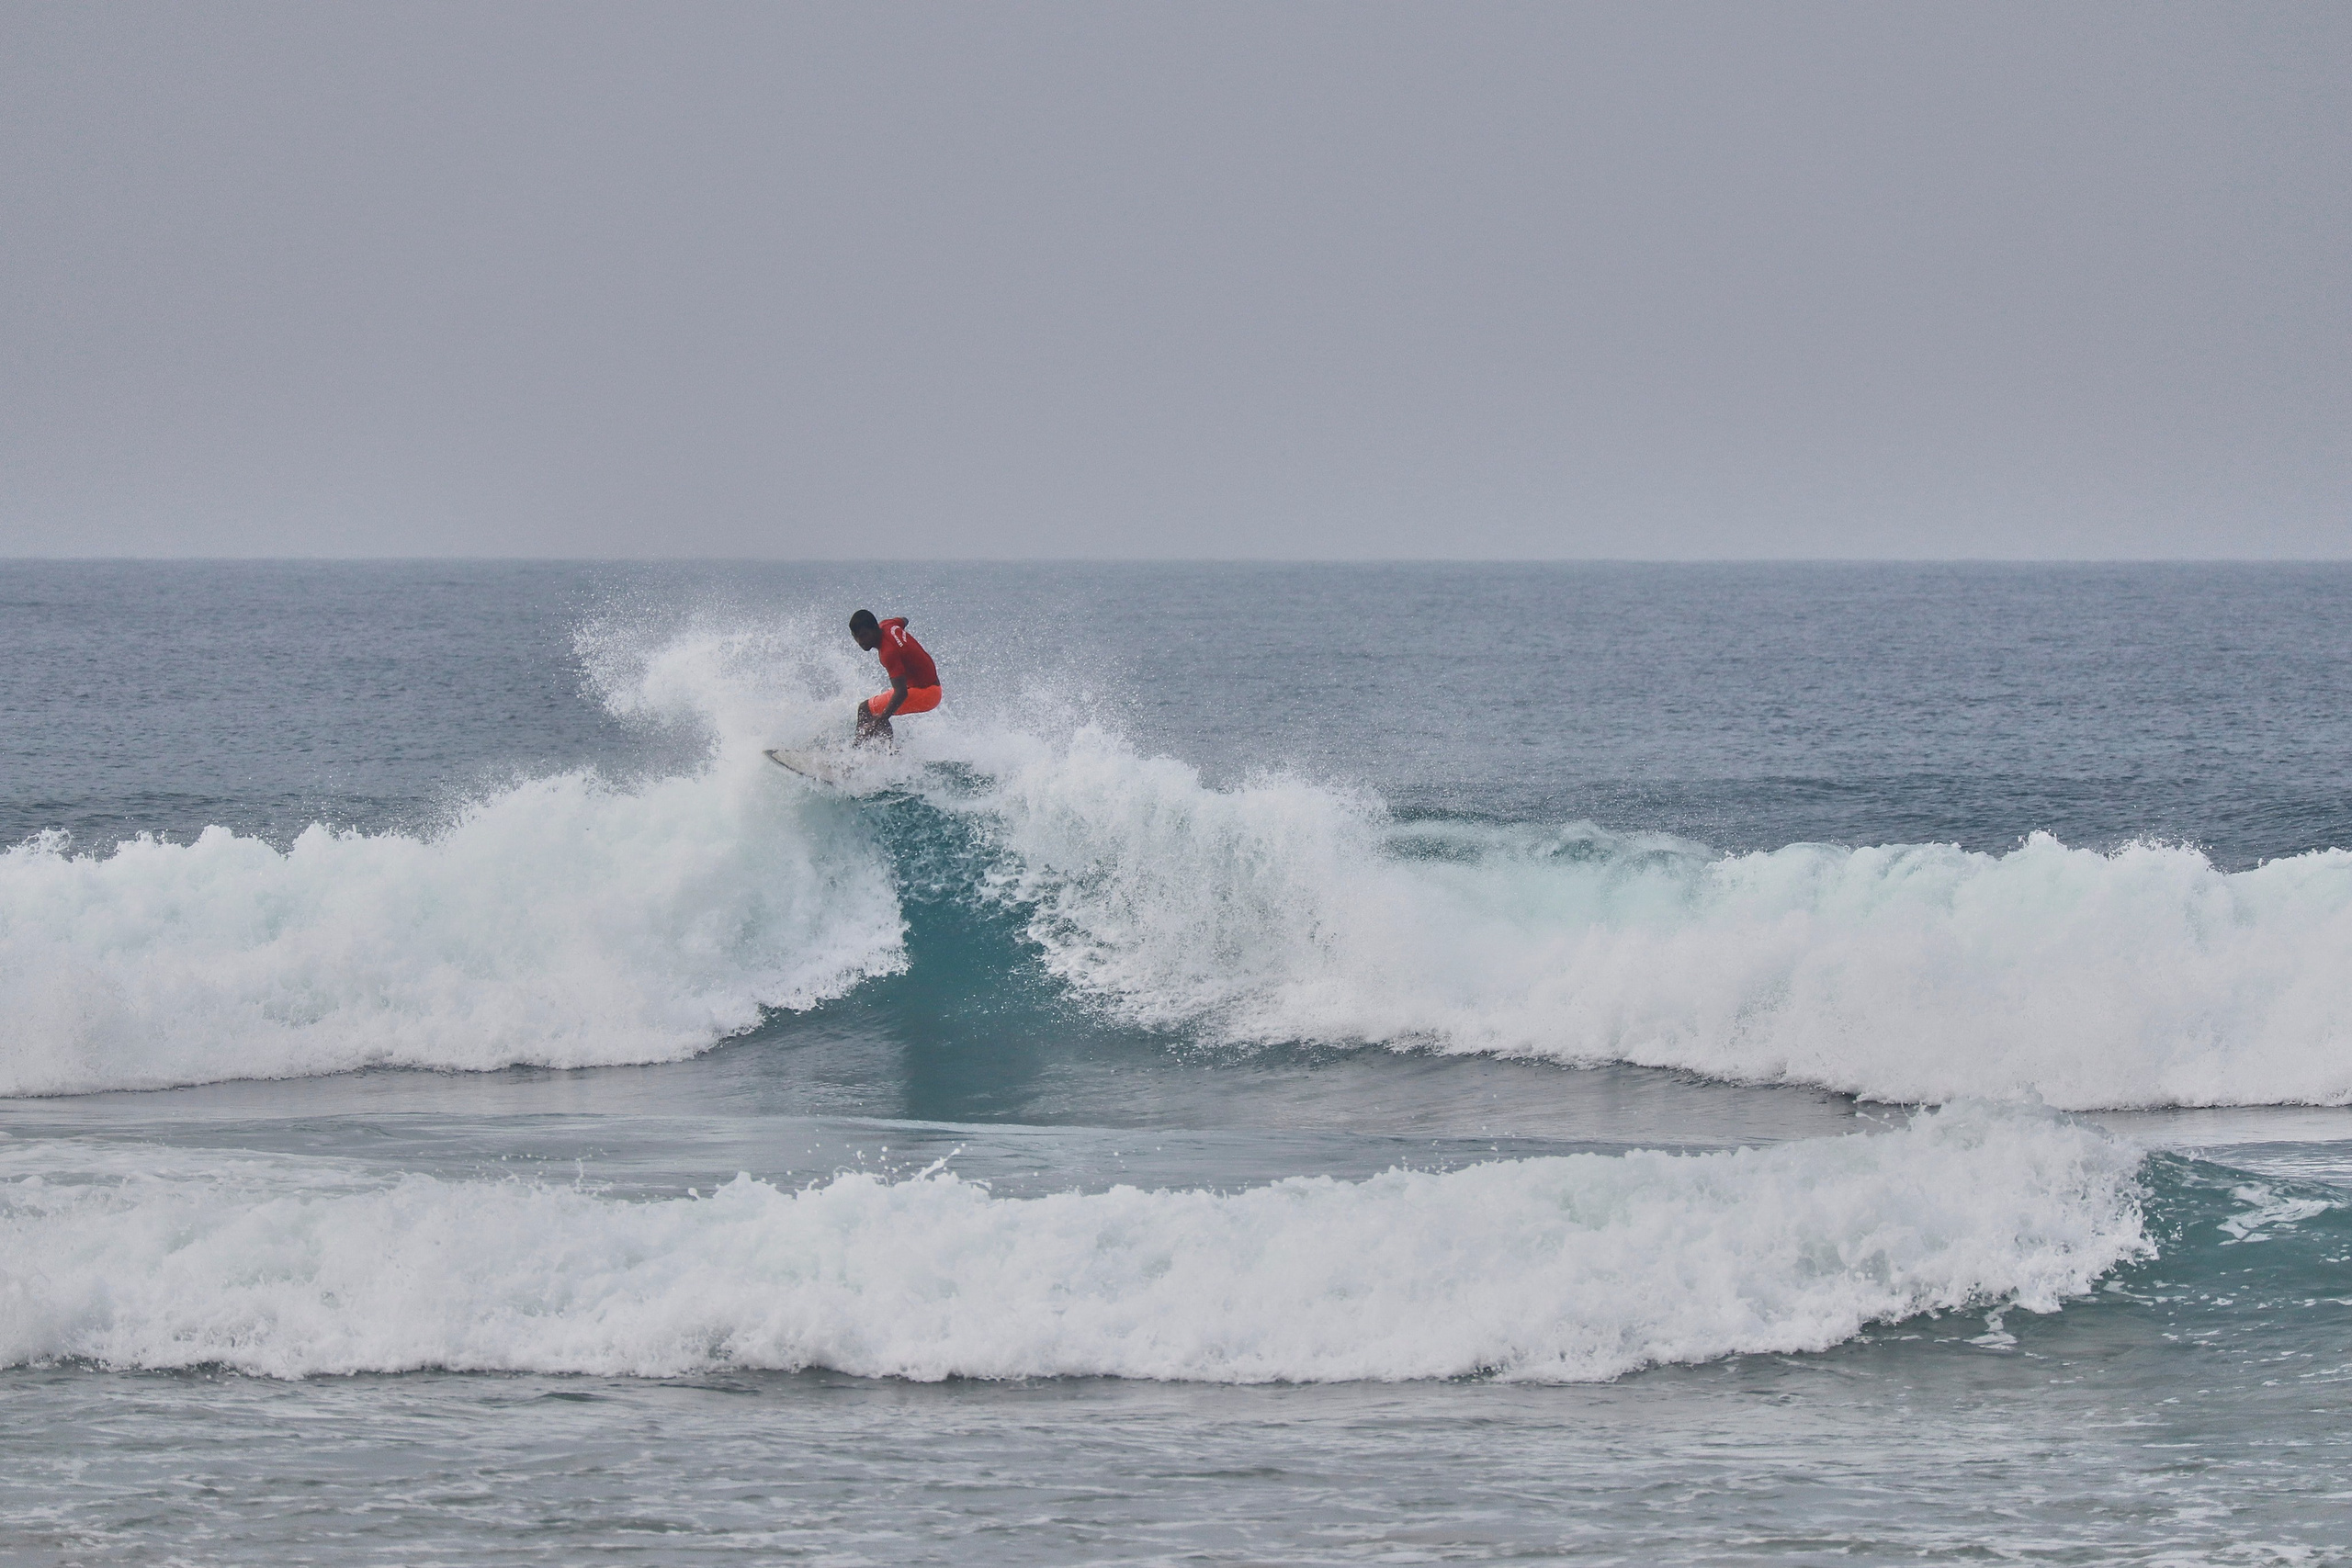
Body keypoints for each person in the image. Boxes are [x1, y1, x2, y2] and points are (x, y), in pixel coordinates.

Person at [849, 609, 941, 745]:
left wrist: (880, 720)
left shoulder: (888, 653)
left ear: (874, 629)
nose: (860, 641)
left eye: (863, 635)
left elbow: (901, 692)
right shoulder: (888, 625)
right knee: (876, 712)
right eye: (855, 636)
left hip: (928, 693)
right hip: (924, 686)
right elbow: (904, 620)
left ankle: (857, 755)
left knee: (867, 710)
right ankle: (886, 754)